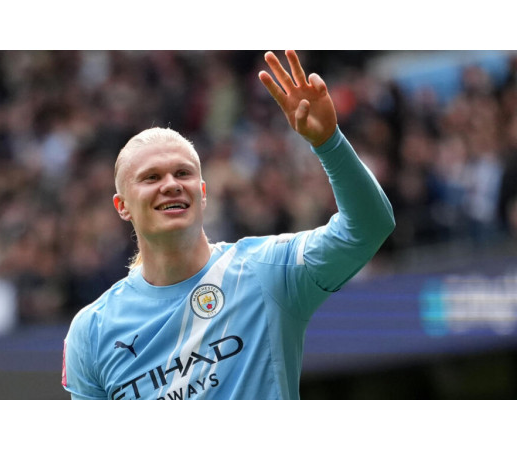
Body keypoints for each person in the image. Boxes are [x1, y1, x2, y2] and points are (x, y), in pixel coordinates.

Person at [62, 50, 395, 400]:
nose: (171, 184)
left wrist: (329, 143)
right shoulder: (91, 332)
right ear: (122, 206)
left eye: (183, 173)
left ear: (203, 193)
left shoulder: (264, 272)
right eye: (151, 177)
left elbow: (367, 228)